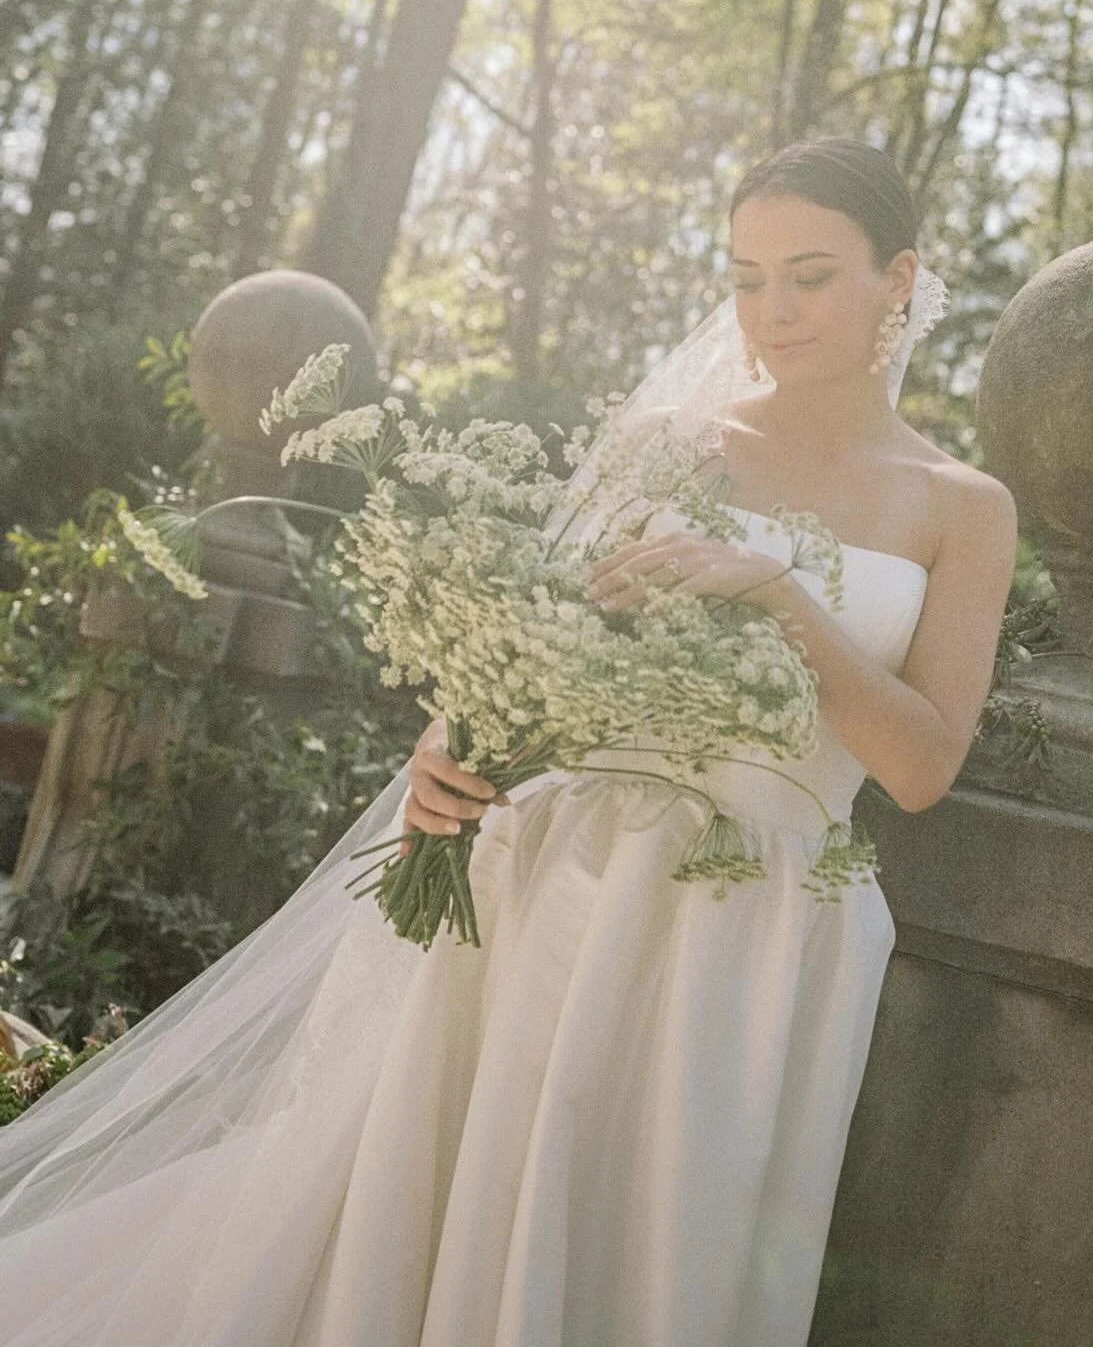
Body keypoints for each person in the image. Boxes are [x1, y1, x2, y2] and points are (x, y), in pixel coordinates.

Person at [0, 135, 1016, 1346]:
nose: (773, 311)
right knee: (449, 1211)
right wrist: (449, 749)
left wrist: (778, 598)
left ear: (898, 279)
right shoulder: (669, 444)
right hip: (562, 876)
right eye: (748, 278)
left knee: (651, 1258)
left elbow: (921, 766)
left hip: (756, 932)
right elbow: (528, 649)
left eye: (810, 276)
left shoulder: (963, 508)